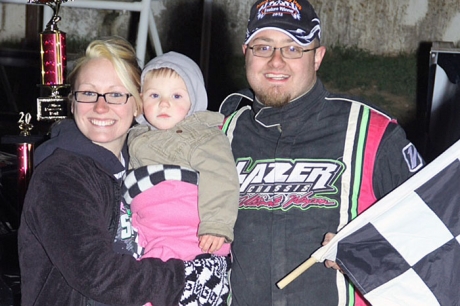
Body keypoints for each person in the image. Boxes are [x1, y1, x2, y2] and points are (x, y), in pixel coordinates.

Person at [219, 1, 425, 305]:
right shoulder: (221, 133)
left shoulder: (372, 131)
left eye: (293, 49)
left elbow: (433, 224)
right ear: (245, 52)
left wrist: (371, 252)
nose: (276, 61)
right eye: (263, 47)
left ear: (317, 57)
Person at [18, 37, 228, 306]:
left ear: (138, 104)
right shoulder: (60, 178)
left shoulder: (144, 167)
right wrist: (184, 280)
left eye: (116, 94)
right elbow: (95, 272)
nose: (100, 106)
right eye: (88, 93)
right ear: (72, 103)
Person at [123, 51, 239, 304]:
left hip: (194, 237)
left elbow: (221, 177)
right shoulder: (135, 135)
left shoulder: (202, 135)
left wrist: (217, 226)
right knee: (146, 287)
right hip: (153, 234)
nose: (164, 104)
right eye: (155, 95)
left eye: (176, 96)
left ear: (193, 99)